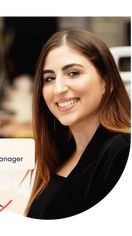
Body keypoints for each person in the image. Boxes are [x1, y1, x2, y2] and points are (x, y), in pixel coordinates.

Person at [25, 28, 130, 219]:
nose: (58, 89)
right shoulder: (61, 153)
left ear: (107, 82)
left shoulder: (122, 152)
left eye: (73, 73)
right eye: (49, 78)